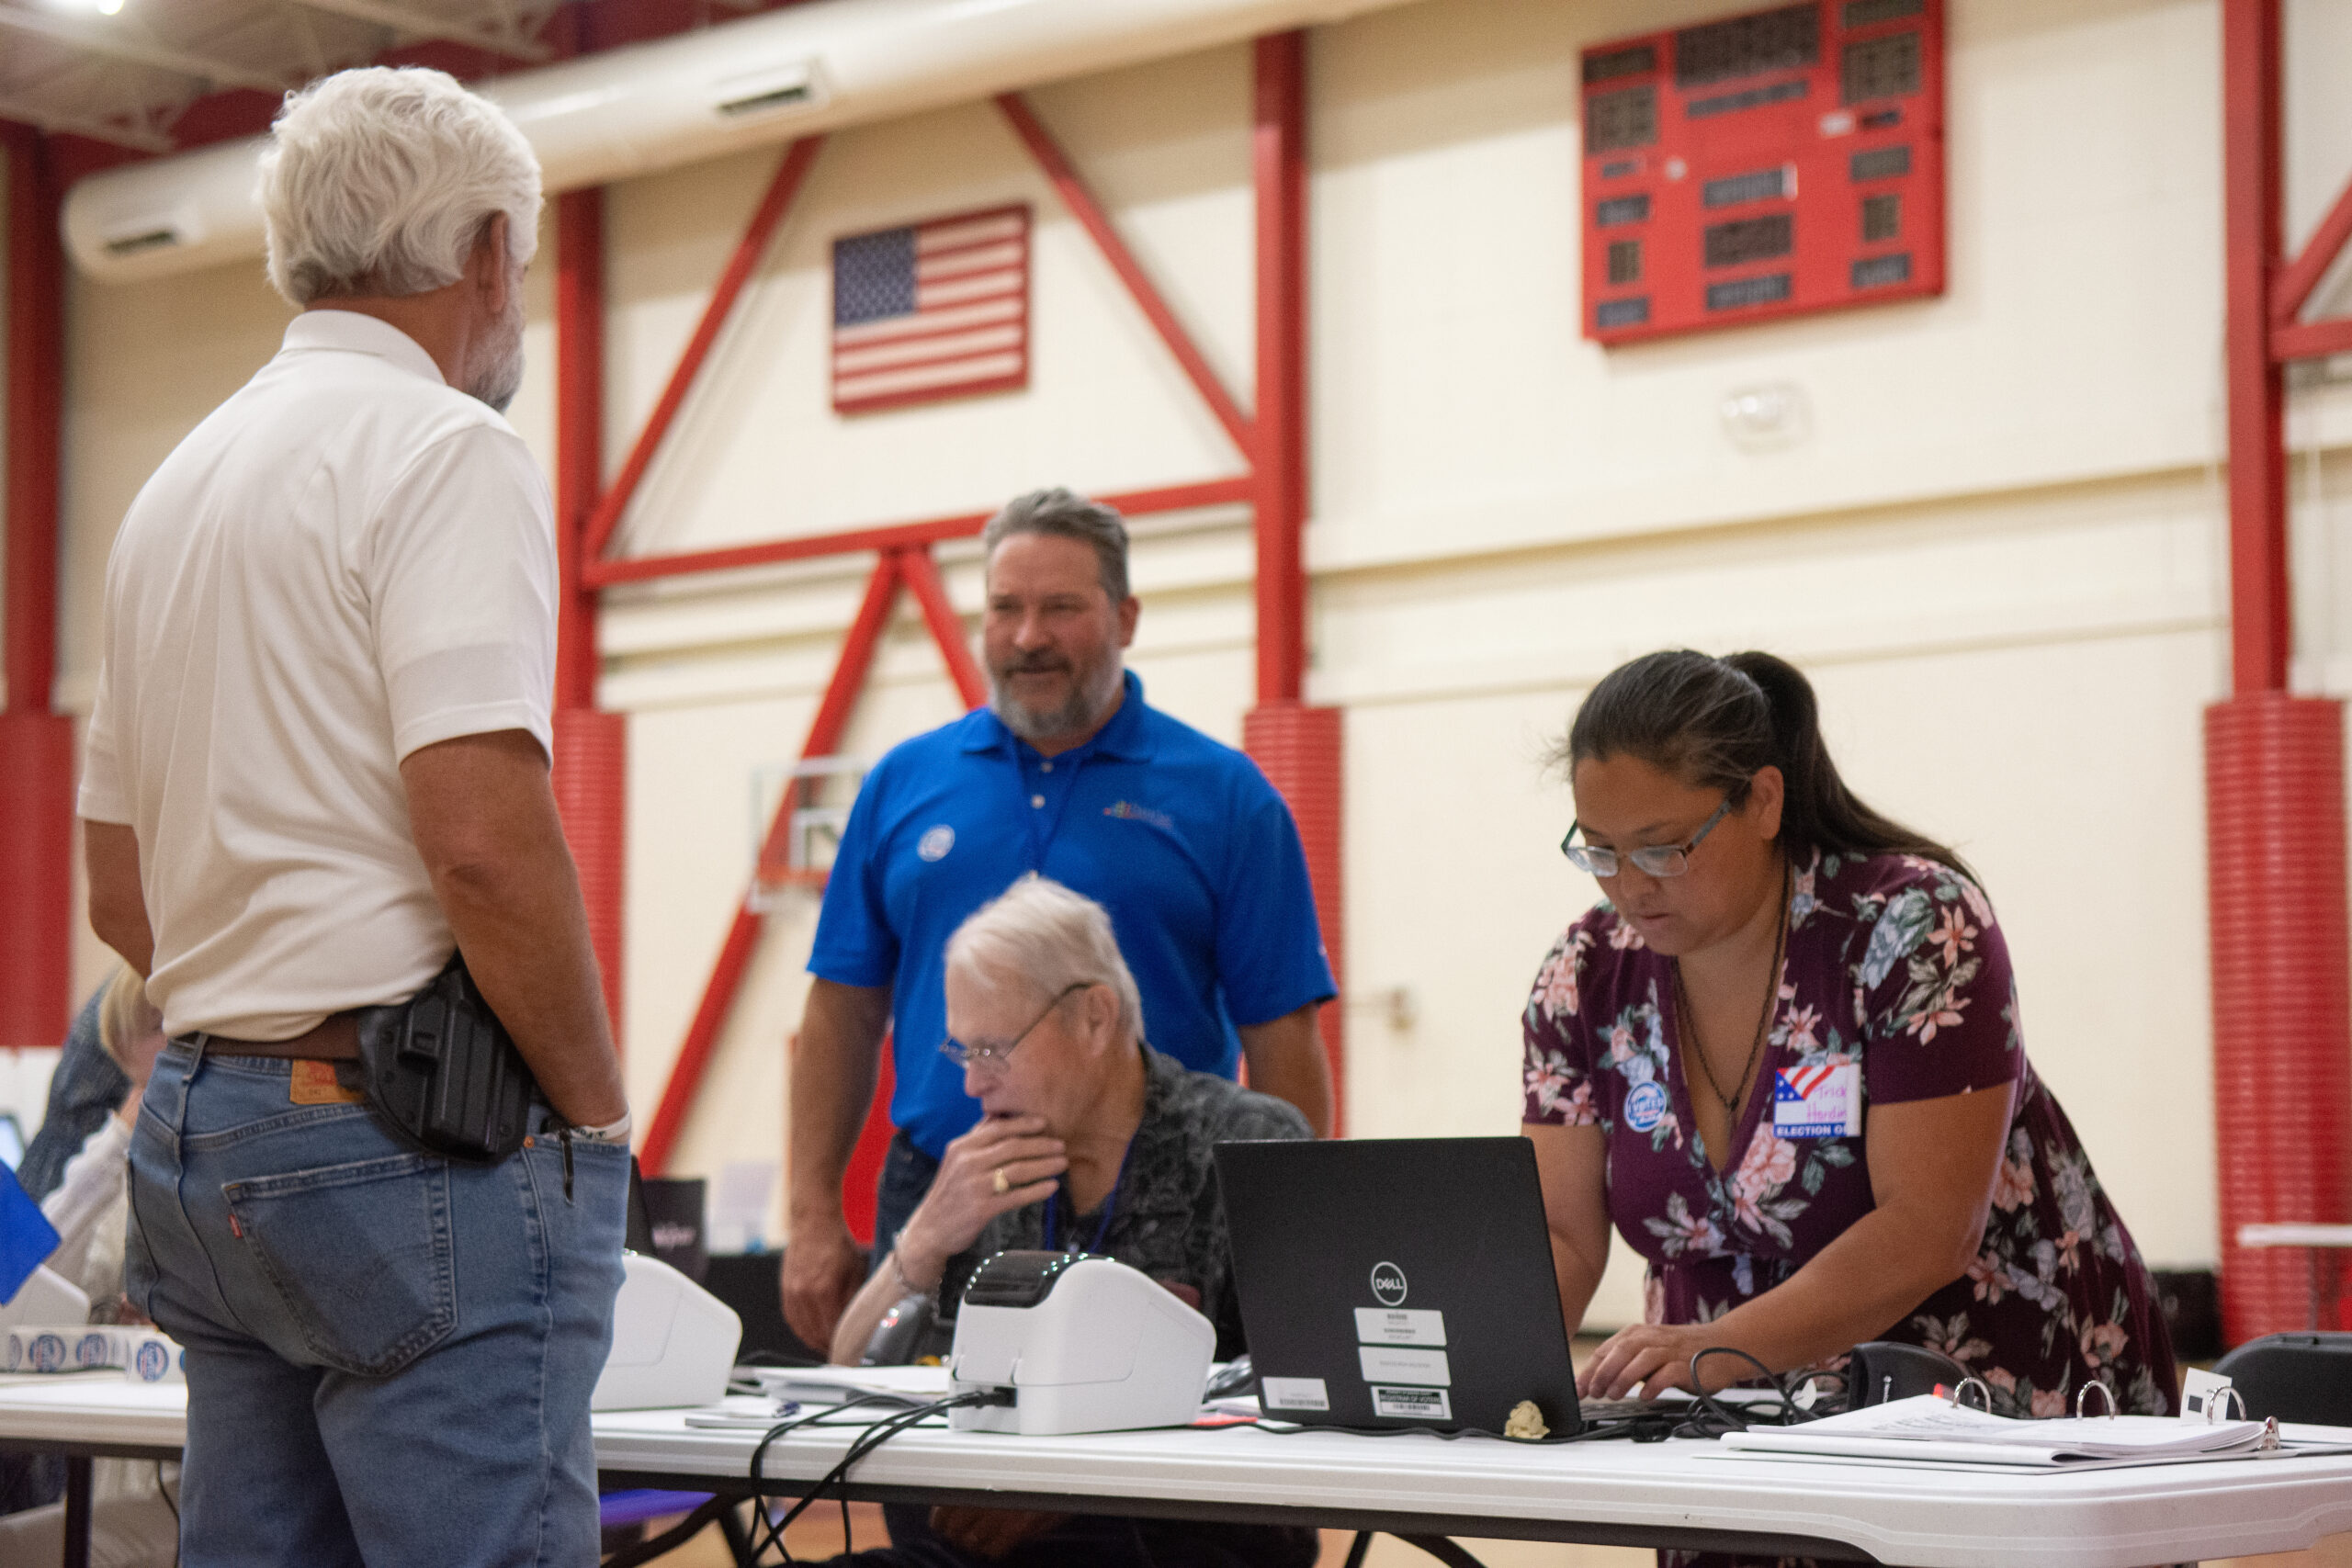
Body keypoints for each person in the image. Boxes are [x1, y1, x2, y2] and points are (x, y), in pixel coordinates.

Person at [77, 67, 631, 1568]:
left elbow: (122, 897)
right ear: (489, 253)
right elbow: (482, 837)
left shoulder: (174, 488)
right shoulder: (444, 451)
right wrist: (593, 1115)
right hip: (400, 1138)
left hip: (204, 1127)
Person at [1522, 651, 2176, 1449]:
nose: (1630, 885)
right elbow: (1560, 1234)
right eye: (1599, 851)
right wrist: (1479, 1370)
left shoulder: (1914, 927)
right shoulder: (1584, 973)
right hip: (1724, 1424)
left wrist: (1715, 1348)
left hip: (1982, 1406)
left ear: (1762, 801)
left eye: (1663, 849)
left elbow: (1930, 1226)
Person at [785, 488, 1337, 1352]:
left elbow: (1284, 1042)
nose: (1028, 636)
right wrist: (813, 1213)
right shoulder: (903, 783)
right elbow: (839, 1012)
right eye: (1005, 608)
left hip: (1161, 1206)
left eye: (1061, 608)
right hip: (945, 1190)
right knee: (926, 1472)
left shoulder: (1226, 798)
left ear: (1126, 616)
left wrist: (1295, 1241)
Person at [825, 874, 1316, 1568]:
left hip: (1180, 1545)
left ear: (1094, 1017)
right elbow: (850, 1374)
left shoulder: (1247, 1145)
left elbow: (1305, 1401)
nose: (972, 1083)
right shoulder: (985, 1171)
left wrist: (1073, 1485)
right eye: (960, 1052)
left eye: (992, 1049)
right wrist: (925, 1237)